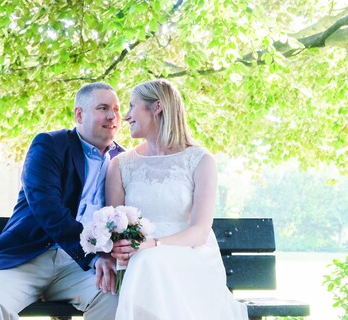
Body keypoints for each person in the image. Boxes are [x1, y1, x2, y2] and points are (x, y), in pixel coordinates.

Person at [0, 82, 124, 320]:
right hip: (29, 257)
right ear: (79, 114)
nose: (112, 115)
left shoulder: (123, 160)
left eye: (116, 108)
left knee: (116, 298)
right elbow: (47, 209)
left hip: (80, 269)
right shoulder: (50, 145)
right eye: (103, 108)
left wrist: (108, 256)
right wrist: (94, 256)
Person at [106, 79, 248, 319]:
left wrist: (153, 244)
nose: (126, 116)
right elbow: (114, 223)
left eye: (132, 106)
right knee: (145, 263)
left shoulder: (200, 160)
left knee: (148, 261)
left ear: (157, 107)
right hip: (140, 260)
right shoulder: (121, 164)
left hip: (190, 255)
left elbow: (200, 231)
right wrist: (118, 248)